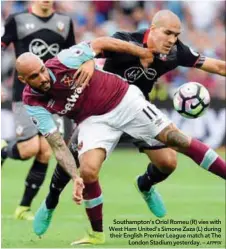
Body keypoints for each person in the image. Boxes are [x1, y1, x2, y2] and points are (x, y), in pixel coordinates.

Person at [34, 9, 226, 235]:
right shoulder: (125, 39)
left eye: (177, 34)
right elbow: (91, 48)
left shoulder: (176, 51)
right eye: (168, 33)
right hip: (99, 113)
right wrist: (87, 61)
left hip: (136, 111)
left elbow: (218, 66)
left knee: (168, 163)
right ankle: (49, 203)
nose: (173, 40)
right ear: (152, 30)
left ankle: (145, 185)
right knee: (74, 161)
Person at [0, 0, 80, 220]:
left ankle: (23, 208)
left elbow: (72, 56)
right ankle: (4, 151)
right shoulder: (16, 20)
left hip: (54, 94)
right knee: (28, 150)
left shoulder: (65, 22)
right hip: (24, 94)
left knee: (46, 150)